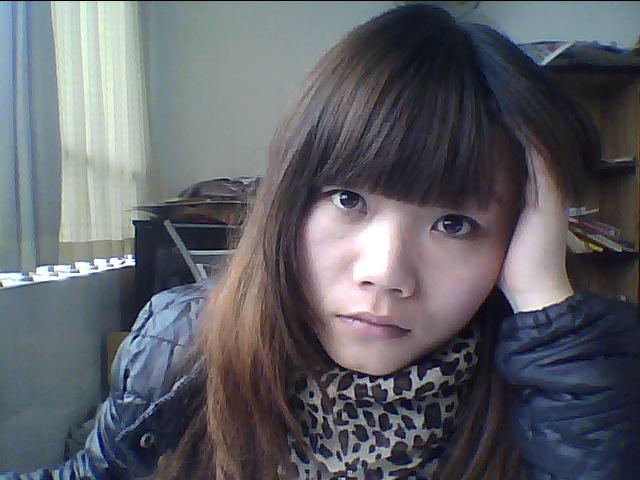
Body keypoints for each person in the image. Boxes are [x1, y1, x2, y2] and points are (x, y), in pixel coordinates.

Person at [3, 3, 639, 479]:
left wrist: (543, 296)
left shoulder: (573, 392)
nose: (385, 273)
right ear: (289, 201)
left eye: (454, 223)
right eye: (348, 200)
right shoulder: (181, 345)